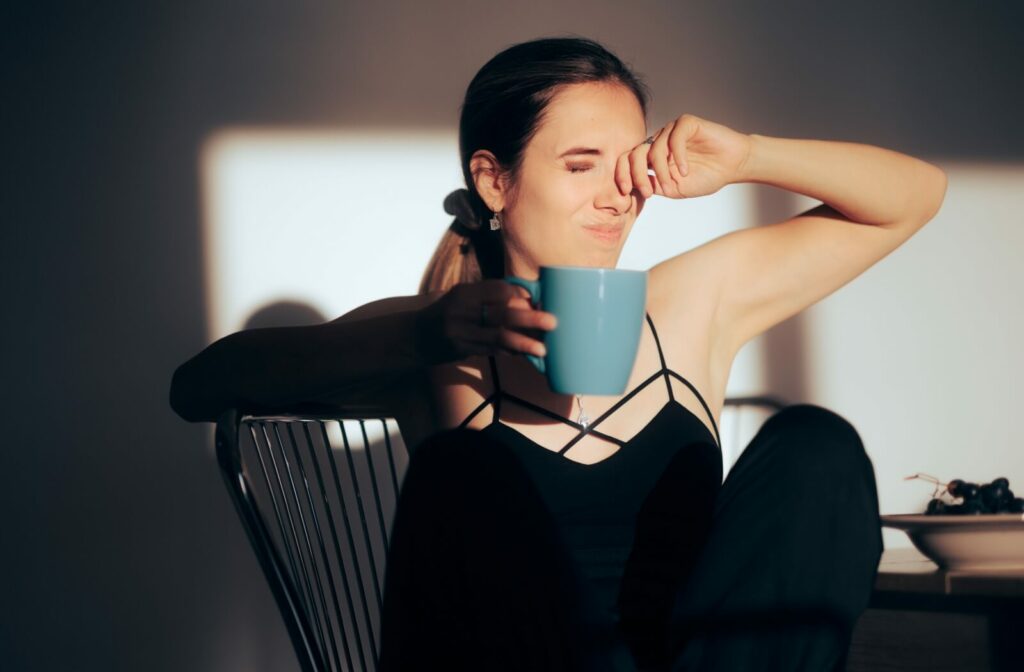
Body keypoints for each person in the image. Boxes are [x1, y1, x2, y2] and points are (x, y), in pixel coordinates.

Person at [171, 36, 947, 672]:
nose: (617, 198)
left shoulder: (692, 301)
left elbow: (912, 198)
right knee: (462, 469)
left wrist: (746, 156)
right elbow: (198, 386)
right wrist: (421, 337)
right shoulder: (438, 336)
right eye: (581, 166)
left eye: (628, 169)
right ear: (494, 180)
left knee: (818, 448)